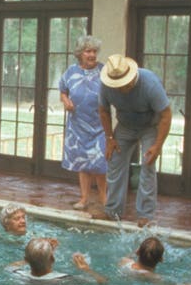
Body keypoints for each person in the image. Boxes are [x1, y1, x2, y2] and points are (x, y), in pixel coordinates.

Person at [98, 54, 172, 227]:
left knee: (148, 164)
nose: (122, 88)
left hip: (150, 125)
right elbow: (103, 110)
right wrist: (109, 138)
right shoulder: (106, 85)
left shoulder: (150, 84)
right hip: (125, 125)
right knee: (114, 162)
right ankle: (112, 212)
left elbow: (166, 115)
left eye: (124, 84)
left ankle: (145, 215)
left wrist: (157, 145)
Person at [60, 36, 108, 210]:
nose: (92, 55)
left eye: (94, 51)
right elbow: (63, 91)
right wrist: (66, 101)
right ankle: (84, 198)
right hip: (77, 124)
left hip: (100, 124)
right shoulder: (71, 71)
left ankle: (104, 199)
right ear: (80, 53)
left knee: (99, 162)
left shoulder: (104, 71)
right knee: (83, 163)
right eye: (88, 51)